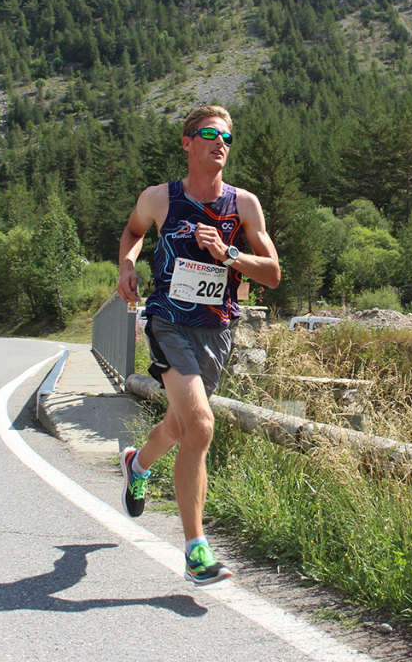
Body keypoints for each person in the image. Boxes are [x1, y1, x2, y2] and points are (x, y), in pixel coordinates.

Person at [116, 105, 281, 585]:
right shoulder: (159, 198)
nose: (220, 142)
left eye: (227, 137)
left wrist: (228, 253)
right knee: (202, 426)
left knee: (181, 425)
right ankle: (195, 550)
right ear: (187, 142)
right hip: (169, 323)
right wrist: (127, 265)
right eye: (209, 134)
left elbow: (271, 273)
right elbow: (132, 232)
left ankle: (136, 463)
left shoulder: (243, 205)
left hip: (217, 330)